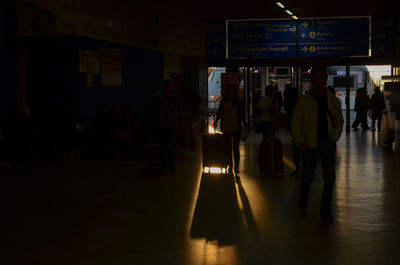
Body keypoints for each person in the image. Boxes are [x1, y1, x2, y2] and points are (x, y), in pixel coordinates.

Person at [291, 66, 344, 222]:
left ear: (326, 79)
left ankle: (325, 209)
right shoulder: (305, 100)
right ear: (312, 80)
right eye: (317, 77)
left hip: (327, 143)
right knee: (307, 177)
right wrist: (300, 141)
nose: (320, 80)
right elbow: (295, 122)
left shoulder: (332, 99)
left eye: (322, 77)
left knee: (329, 177)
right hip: (309, 145)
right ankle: (303, 198)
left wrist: (334, 137)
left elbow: (339, 120)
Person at [215, 83, 246, 174]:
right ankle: (229, 164)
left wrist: (244, 123)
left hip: (236, 127)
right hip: (226, 126)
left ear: (234, 90)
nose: (230, 91)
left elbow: (241, 114)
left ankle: (236, 166)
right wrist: (216, 121)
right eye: (228, 89)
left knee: (235, 148)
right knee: (227, 148)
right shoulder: (223, 101)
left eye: (232, 89)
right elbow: (220, 112)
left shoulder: (238, 101)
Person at [157, 79, 181, 172]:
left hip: (169, 125)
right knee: (164, 146)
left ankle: (169, 165)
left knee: (170, 146)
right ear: (166, 86)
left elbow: (178, 110)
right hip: (163, 125)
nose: (172, 87)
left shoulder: (173, 97)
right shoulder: (160, 97)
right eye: (170, 85)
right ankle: (165, 165)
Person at [283, 84, 301, 177]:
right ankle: (302, 167)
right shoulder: (300, 102)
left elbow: (288, 112)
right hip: (302, 128)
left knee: (296, 148)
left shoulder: (289, 103)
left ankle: (298, 168)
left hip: (295, 128)